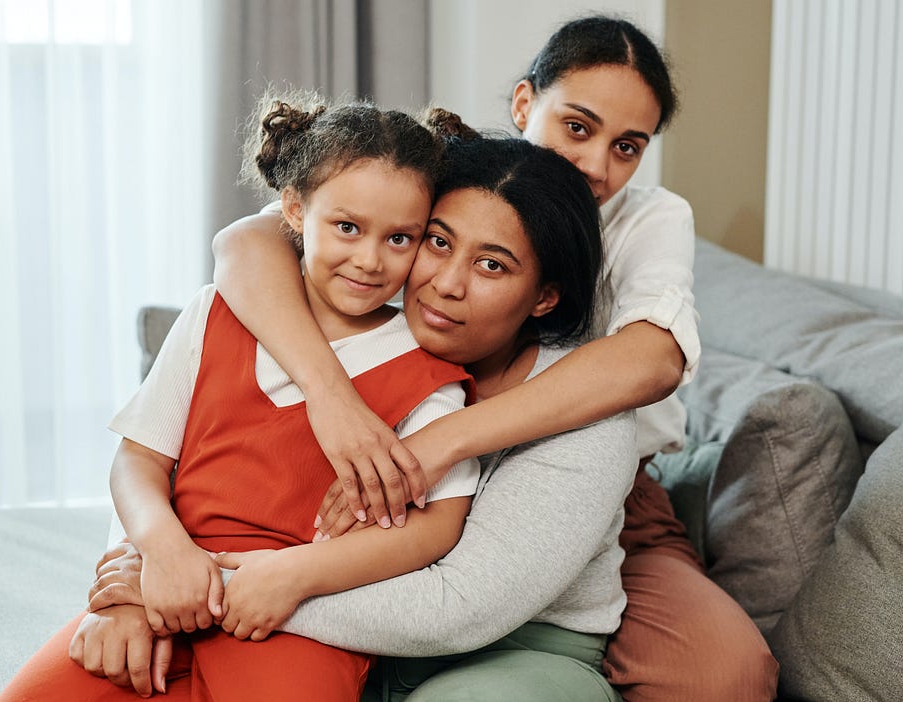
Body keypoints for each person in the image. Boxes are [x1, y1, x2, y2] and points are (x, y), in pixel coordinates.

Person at [201, 15, 778, 701]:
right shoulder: (448, 178)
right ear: (525, 104)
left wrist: (440, 443)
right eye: (577, 126)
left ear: (545, 294)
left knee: (722, 673)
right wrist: (332, 399)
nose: (594, 164)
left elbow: (652, 362)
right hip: (399, 561)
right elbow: (251, 241)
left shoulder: (648, 223)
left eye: (627, 146)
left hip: (607, 499)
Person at [85, 132, 635, 701]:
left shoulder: (588, 421)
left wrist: (200, 585)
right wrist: (145, 559)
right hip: (347, 638)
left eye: (492, 266)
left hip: (515, 652)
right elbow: (254, 237)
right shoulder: (358, 332)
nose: (446, 284)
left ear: (544, 296)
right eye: (437, 242)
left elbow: (458, 609)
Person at [0, 94, 483, 701]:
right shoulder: (214, 311)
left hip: (291, 622)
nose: (369, 259)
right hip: (163, 591)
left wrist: (297, 578)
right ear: (294, 210)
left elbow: (433, 531)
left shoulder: (429, 371)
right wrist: (156, 558)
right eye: (347, 227)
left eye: (400, 238)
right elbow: (138, 461)